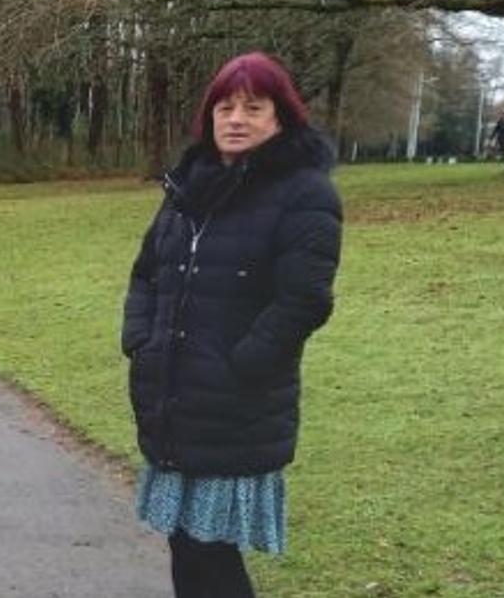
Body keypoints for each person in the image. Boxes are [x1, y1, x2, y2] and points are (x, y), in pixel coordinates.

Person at [120, 52, 342, 598]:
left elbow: (304, 300)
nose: (236, 118)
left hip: (234, 407)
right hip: (172, 398)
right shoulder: (187, 188)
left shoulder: (304, 194)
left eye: (253, 107)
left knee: (210, 555)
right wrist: (140, 340)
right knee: (184, 545)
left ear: (280, 117)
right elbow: (147, 272)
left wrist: (241, 365)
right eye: (225, 106)